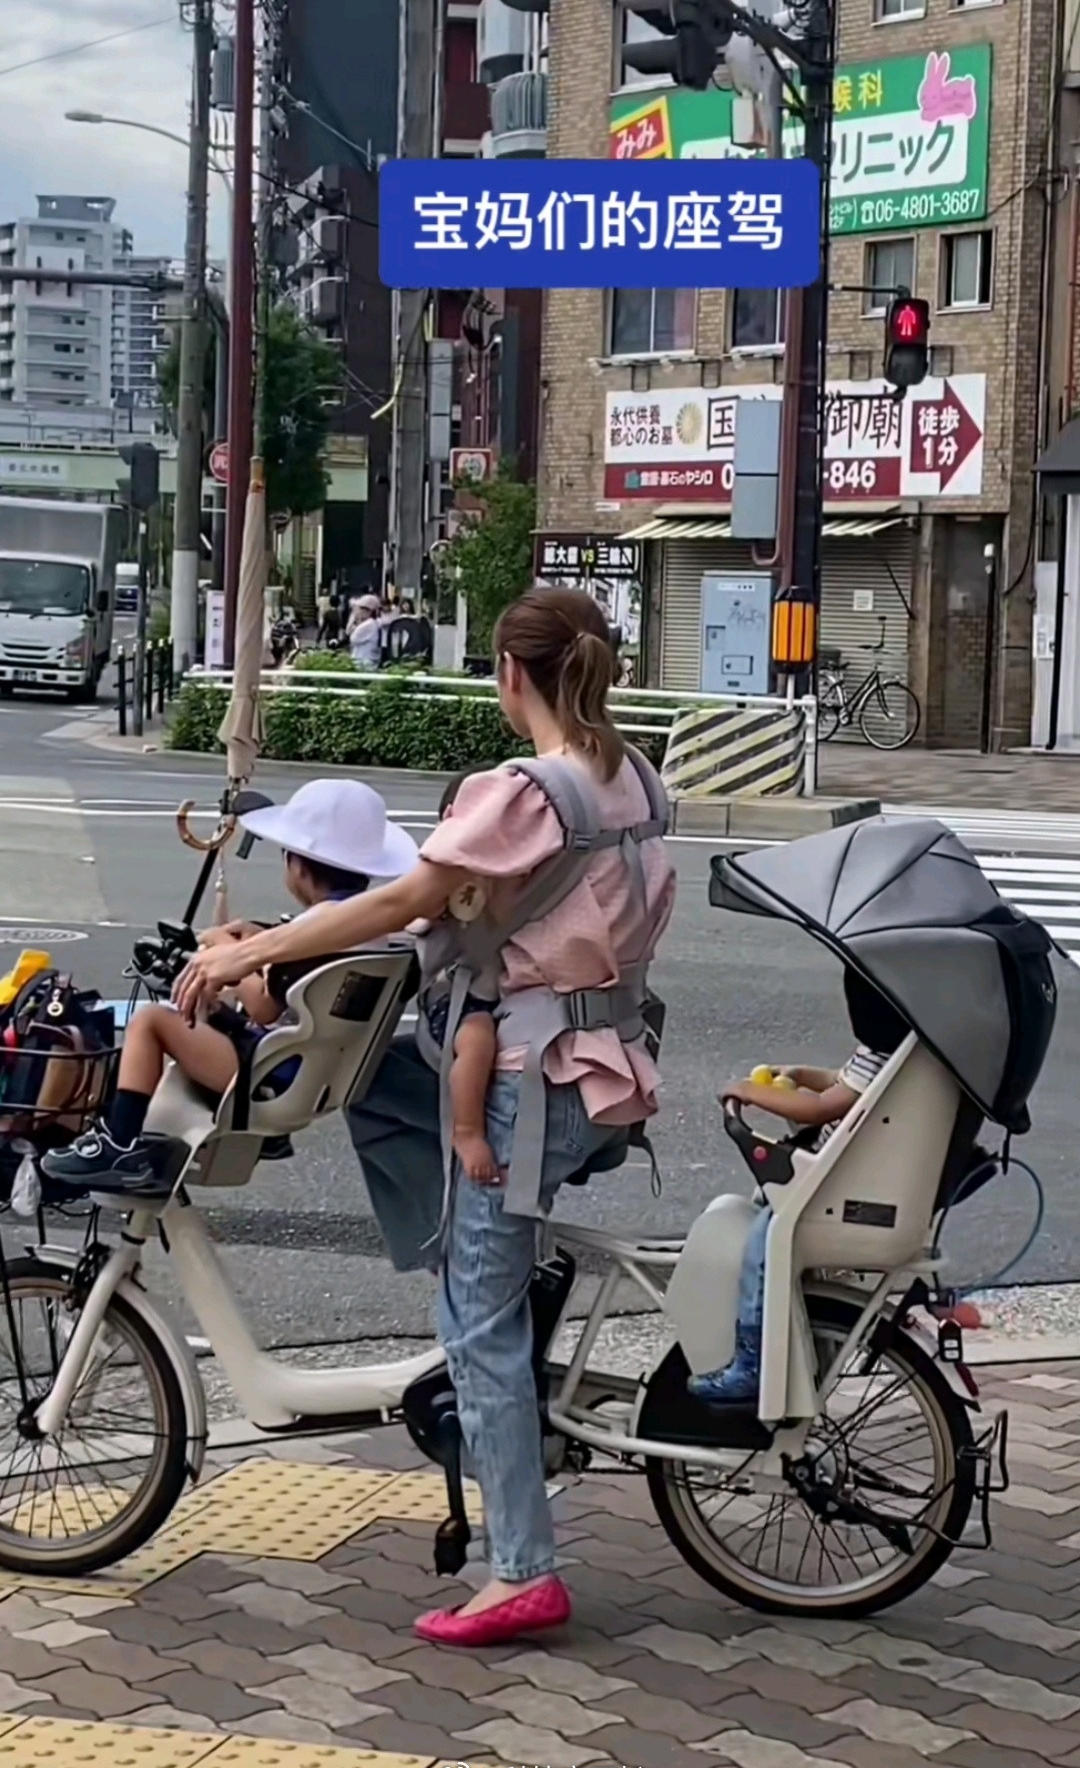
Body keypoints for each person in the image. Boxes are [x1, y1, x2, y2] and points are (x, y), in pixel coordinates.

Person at [174, 586, 676, 1648]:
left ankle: (524, 1570)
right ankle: (487, 1316)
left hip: (524, 1082)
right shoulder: (634, 777)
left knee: (476, 1326)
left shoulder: (522, 791)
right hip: (608, 1066)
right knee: (392, 1083)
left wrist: (252, 951)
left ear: (509, 675)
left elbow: (406, 902)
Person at [43, 780, 418, 1196]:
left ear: (297, 864)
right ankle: (265, 1136)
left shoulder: (314, 928)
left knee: (151, 1021)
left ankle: (120, 1143)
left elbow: (262, 1008)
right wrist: (260, 940)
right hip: (312, 1070)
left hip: (271, 1075)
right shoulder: (366, 926)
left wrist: (227, 952)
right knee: (209, 1011)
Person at [689, 967, 909, 1407]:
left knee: (765, 1245)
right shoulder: (898, 1047)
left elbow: (819, 1108)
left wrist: (748, 1093)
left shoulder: (887, 1053)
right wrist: (797, 1074)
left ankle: (753, 1361)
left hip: (826, 1190)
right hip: (837, 1179)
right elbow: (837, 1083)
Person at [417, 772, 499, 1184]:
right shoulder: (439, 871)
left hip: (506, 993)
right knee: (477, 1037)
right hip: (458, 998)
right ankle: (466, 1130)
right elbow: (415, 916)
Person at [348, 594, 382, 670]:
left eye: (360, 608)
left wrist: (353, 619)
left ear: (368, 610)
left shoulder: (369, 624)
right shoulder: (372, 623)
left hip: (363, 662)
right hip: (366, 661)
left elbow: (352, 637)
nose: (358, 611)